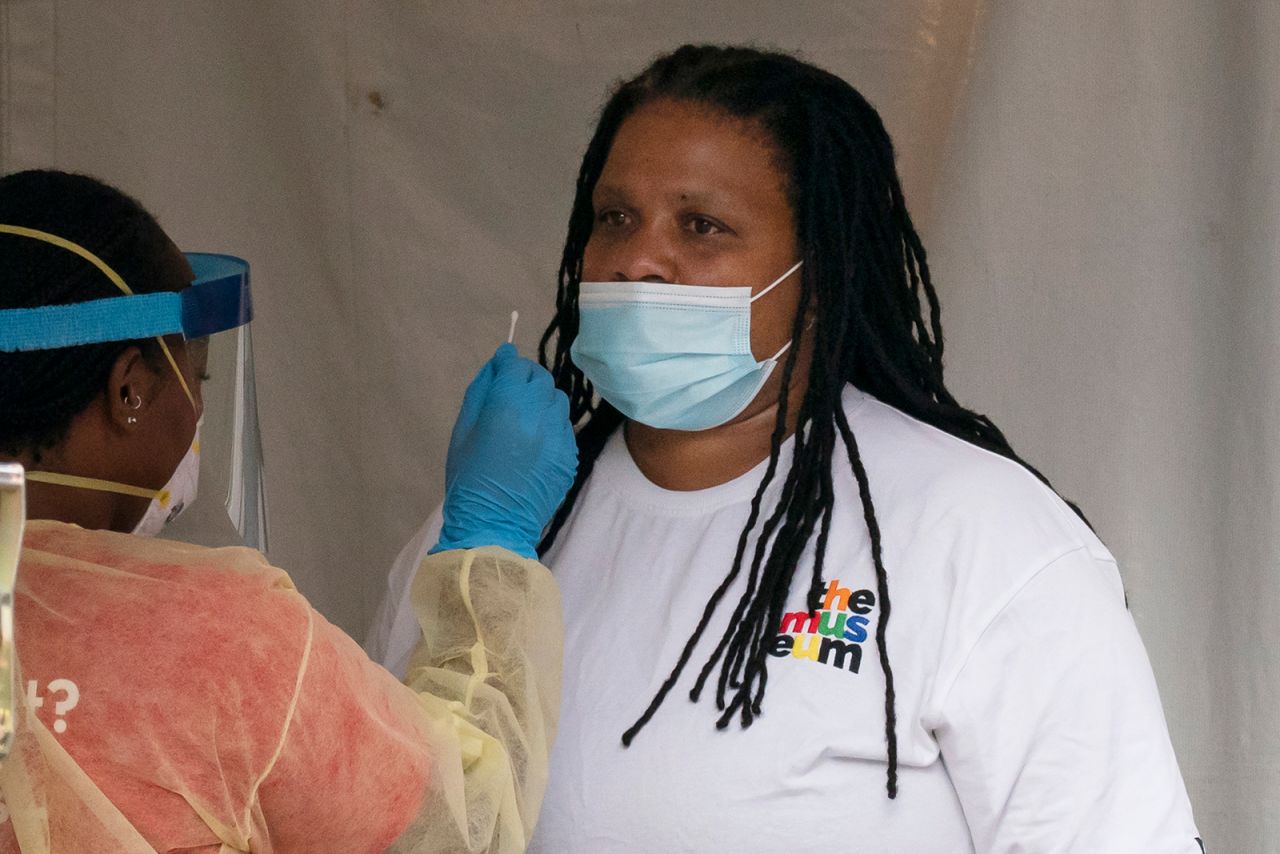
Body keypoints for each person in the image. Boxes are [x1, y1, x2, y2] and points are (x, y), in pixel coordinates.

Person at [371, 45, 1205, 852]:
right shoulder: (493, 527)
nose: (639, 261)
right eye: (615, 217)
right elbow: (373, 819)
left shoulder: (982, 536)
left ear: (821, 274)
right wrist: (474, 548)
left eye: (702, 226)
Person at [0, 168, 577, 853]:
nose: (198, 411)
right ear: (130, 391)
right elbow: (456, 826)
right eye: (196, 376)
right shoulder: (220, 641)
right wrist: (490, 552)